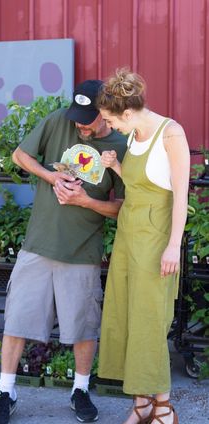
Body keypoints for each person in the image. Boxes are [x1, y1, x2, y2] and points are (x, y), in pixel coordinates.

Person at [0, 80, 127, 424]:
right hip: (38, 244)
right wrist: (51, 177)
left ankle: (80, 390)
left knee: (82, 326)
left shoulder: (121, 145)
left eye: (88, 119)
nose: (80, 125)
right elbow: (19, 155)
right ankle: (6, 391)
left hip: (82, 251)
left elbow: (123, 208)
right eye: (78, 117)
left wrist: (86, 200)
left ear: (105, 112)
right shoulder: (58, 121)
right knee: (17, 319)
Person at [96, 68, 190, 424]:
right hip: (127, 236)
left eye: (110, 121)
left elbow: (179, 195)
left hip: (156, 241)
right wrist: (118, 166)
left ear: (128, 112)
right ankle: (141, 403)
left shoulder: (171, 134)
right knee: (125, 315)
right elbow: (143, 183)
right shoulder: (134, 133)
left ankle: (163, 407)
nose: (110, 128)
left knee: (151, 318)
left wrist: (173, 247)